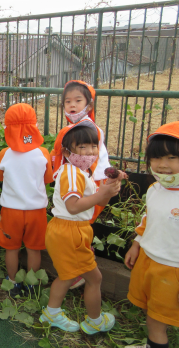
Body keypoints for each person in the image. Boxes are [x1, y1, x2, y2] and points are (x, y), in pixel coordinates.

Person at [40, 120, 121, 334]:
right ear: (68, 151)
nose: (89, 152)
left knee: (67, 276)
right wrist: (101, 195)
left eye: (93, 146)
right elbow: (73, 206)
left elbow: (97, 202)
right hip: (70, 230)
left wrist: (109, 190)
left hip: (71, 230)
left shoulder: (81, 173)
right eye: (82, 147)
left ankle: (52, 312)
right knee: (95, 278)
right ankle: (95, 321)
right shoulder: (72, 173)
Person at [124, 121, 179, 348]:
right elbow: (149, 219)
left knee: (156, 323)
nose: (162, 165)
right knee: (150, 310)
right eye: (156, 158)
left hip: (174, 271)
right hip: (148, 261)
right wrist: (137, 243)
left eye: (171, 158)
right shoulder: (154, 189)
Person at [51, 80, 126, 289]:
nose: (72, 105)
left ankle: (80, 264)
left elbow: (87, 160)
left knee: (83, 219)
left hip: (91, 180)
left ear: (89, 105)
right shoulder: (72, 129)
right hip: (78, 180)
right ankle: (80, 262)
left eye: (78, 100)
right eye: (67, 101)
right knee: (82, 221)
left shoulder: (89, 129)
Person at [0, 103, 53, 298]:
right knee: (34, 249)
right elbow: (47, 180)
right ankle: (31, 284)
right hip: (36, 210)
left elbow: (0, 179)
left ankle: (12, 282)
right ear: (33, 126)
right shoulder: (43, 153)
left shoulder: (4, 154)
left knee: (11, 249)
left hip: (11, 210)